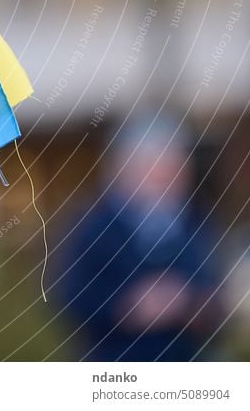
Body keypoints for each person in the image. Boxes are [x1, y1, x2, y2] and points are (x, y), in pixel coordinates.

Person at [60, 114, 224, 360]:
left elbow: (216, 296)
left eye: (177, 166)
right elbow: (70, 296)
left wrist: (188, 304)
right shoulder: (94, 227)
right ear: (128, 169)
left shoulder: (196, 222)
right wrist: (129, 307)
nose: (170, 176)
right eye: (158, 166)